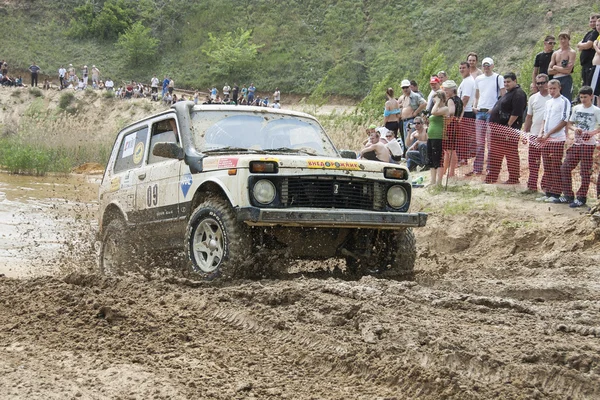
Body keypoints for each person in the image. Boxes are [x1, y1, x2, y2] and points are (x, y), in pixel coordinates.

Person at [560, 86, 600, 207]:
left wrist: (592, 133)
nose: (583, 99)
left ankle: (581, 197)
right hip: (577, 142)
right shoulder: (576, 108)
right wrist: (575, 128)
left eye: (585, 97)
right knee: (565, 167)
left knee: (585, 171)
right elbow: (569, 123)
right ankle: (568, 195)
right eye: (581, 97)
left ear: (591, 97)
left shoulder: (596, 110)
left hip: (589, 144)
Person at [485, 72, 527, 184]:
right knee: (495, 153)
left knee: (510, 153)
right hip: (498, 129)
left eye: (508, 81)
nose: (506, 84)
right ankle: (492, 177)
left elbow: (516, 113)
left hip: (508, 130)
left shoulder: (519, 94)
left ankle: (513, 178)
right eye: (504, 82)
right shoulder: (508, 93)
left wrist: (507, 127)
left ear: (515, 81)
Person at [536, 79, 571, 203]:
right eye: (550, 89)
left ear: (559, 88)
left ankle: (556, 193)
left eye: (554, 88)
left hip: (557, 139)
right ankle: (548, 191)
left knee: (555, 165)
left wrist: (549, 134)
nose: (551, 91)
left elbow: (564, 121)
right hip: (546, 139)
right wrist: (541, 133)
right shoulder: (548, 102)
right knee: (547, 165)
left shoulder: (564, 101)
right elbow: (544, 119)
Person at [470, 57, 505, 176]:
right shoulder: (478, 79)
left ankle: (491, 167)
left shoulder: (498, 78)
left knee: (491, 142)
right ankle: (478, 168)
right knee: (479, 142)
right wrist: (474, 106)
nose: (486, 67)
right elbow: (476, 95)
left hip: (492, 112)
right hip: (480, 111)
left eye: (488, 65)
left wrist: (495, 109)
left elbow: (502, 96)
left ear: (492, 66)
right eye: (484, 65)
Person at [523, 74, 552, 193]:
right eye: (538, 83)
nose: (540, 85)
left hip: (549, 135)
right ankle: (532, 185)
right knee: (533, 161)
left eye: (542, 83)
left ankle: (546, 185)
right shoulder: (533, 98)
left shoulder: (553, 97)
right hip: (534, 133)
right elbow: (529, 117)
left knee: (548, 162)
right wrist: (525, 133)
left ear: (547, 83)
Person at [441, 80, 463, 179]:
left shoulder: (450, 100)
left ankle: (450, 172)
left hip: (450, 126)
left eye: (446, 90)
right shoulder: (459, 100)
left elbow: (451, 112)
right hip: (456, 124)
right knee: (451, 150)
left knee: (449, 151)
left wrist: (445, 121)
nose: (445, 91)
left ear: (451, 90)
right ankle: (448, 170)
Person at [427, 90, 448, 185]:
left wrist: (438, 102)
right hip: (431, 136)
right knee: (431, 159)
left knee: (438, 159)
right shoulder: (437, 108)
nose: (434, 101)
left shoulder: (445, 109)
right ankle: (432, 180)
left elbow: (433, 111)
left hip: (438, 136)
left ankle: (439, 182)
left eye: (435, 99)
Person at [548, 32, 576, 102]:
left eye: (565, 39)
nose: (563, 41)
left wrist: (555, 67)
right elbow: (549, 71)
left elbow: (568, 70)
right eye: (561, 39)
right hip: (556, 79)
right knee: (554, 99)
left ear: (568, 40)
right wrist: (561, 69)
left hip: (566, 79)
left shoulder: (571, 52)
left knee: (566, 99)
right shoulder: (555, 53)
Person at [398, 80, 427, 148]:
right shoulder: (403, 97)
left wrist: (416, 112)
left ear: (410, 87)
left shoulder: (415, 96)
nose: (405, 89)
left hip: (412, 120)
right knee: (407, 140)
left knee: (412, 139)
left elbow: (424, 103)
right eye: (403, 88)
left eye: (406, 87)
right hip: (404, 121)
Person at [457, 61, 476, 163]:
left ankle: (463, 158)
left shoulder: (468, 81)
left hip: (466, 111)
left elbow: (465, 98)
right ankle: (463, 157)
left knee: (463, 137)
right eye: (460, 68)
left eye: (464, 68)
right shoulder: (465, 80)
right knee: (462, 137)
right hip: (465, 111)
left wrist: (459, 113)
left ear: (469, 69)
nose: (462, 70)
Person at [577, 14, 600, 87]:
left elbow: (588, 45)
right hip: (585, 64)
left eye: (594, 21)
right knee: (585, 85)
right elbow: (580, 48)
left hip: (591, 64)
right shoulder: (589, 33)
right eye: (591, 21)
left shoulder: (596, 33)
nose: (593, 23)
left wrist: (582, 44)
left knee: (590, 86)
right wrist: (581, 45)